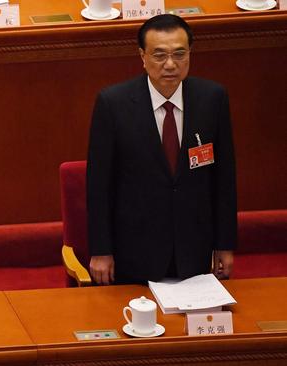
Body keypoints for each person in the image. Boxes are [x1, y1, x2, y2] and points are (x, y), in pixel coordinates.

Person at [86, 14, 237, 285]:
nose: (170, 64)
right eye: (159, 55)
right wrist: (101, 251)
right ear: (142, 56)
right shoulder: (113, 104)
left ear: (190, 53)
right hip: (134, 251)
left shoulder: (212, 98)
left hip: (195, 250)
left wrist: (224, 244)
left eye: (179, 54)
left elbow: (224, 179)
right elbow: (99, 185)